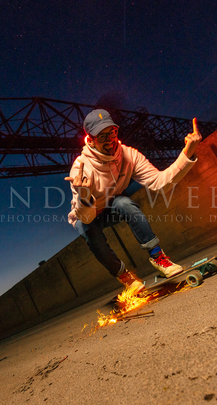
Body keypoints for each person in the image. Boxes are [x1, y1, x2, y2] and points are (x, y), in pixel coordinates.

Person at [65, 109, 201, 294]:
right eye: (103, 136)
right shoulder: (80, 169)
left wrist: (187, 152)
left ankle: (158, 257)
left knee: (124, 203)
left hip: (111, 205)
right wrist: (83, 194)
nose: (110, 140)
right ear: (90, 140)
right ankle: (125, 276)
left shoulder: (129, 155)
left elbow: (160, 184)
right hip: (87, 213)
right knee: (92, 235)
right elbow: (87, 217)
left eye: (112, 132)